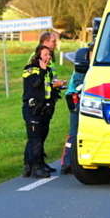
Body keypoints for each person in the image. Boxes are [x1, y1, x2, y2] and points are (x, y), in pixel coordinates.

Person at [22, 45, 65, 178]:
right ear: (38, 56)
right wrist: (42, 70)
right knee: (35, 139)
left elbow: (45, 88)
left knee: (39, 137)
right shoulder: (30, 69)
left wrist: (57, 86)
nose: (49, 57)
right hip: (32, 108)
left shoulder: (47, 71)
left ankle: (31, 166)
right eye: (46, 54)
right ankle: (35, 167)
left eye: (50, 54)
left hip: (44, 109)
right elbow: (35, 85)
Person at [59, 59, 86, 175]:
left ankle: (70, 162)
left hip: (80, 100)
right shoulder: (83, 67)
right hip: (77, 101)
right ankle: (67, 162)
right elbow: (79, 85)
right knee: (74, 132)